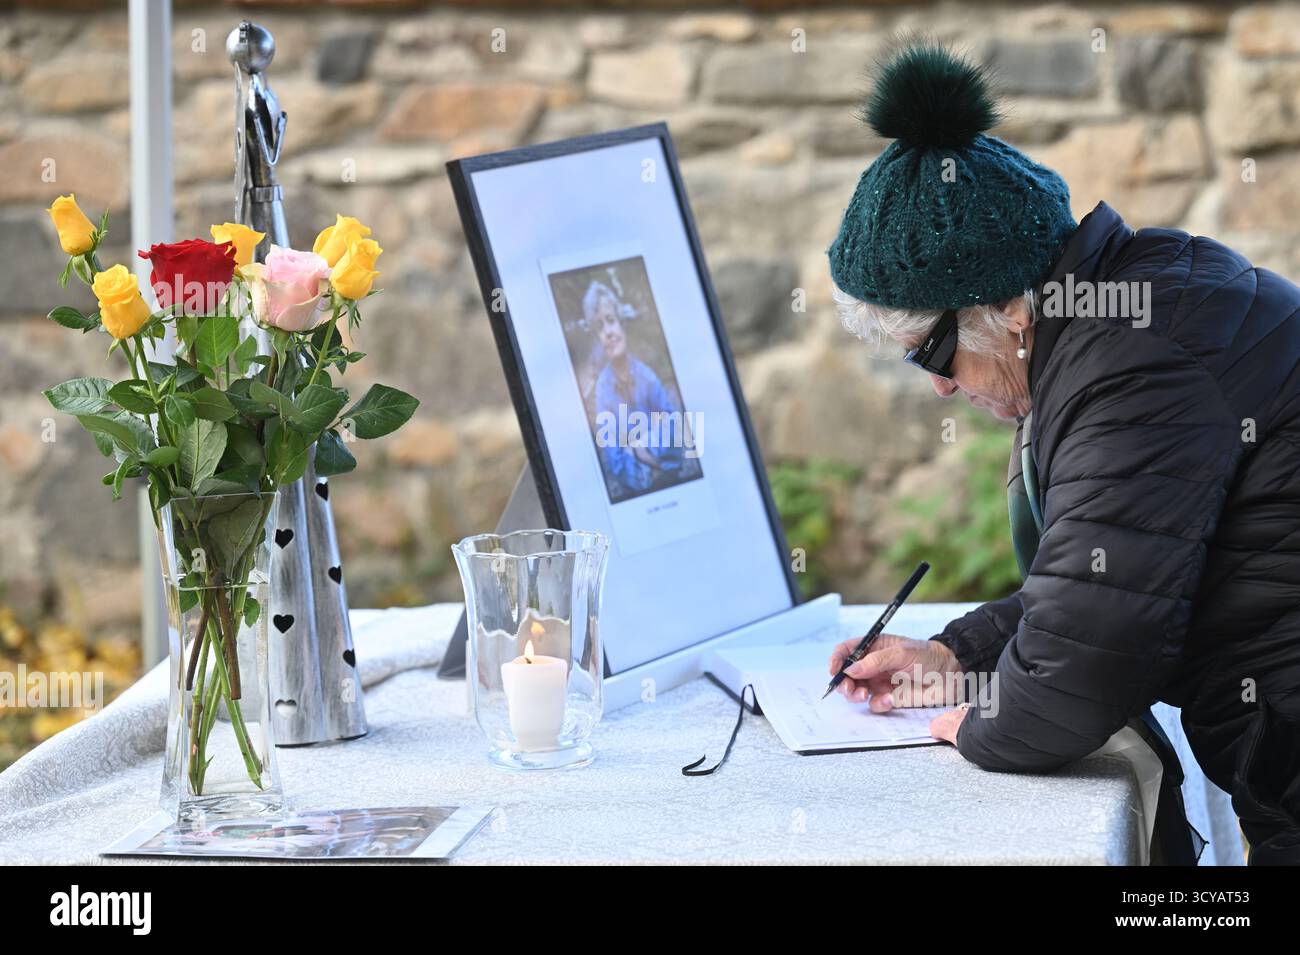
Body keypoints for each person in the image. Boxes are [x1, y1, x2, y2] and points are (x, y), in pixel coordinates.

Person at [825, 43, 1300, 864]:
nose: (940, 387)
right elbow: (1123, 573)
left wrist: (979, 724)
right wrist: (956, 656)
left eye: (932, 355)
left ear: (1008, 310)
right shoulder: (1134, 306)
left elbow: (1090, 662)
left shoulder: (1133, 364)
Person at [584, 280, 690, 498]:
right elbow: (613, 458)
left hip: (674, 485)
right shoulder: (603, 391)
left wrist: (638, 448)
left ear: (622, 323)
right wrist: (652, 459)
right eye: (599, 327)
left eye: (611, 321)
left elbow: (674, 430)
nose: (608, 332)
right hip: (635, 495)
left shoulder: (646, 376)